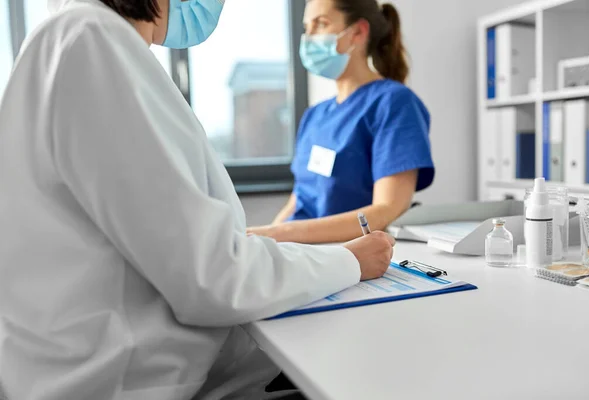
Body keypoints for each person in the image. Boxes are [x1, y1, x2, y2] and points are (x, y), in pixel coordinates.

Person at [0, 0, 396, 398]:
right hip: (121, 382)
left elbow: (186, 248)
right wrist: (348, 260)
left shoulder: (86, 41)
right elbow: (213, 276)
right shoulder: (93, 39)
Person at [248, 0, 435, 245]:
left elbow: (388, 209)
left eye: (321, 24)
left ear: (358, 32)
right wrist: (265, 241)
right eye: (307, 27)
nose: (309, 37)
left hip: (346, 256)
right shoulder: (315, 115)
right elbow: (300, 198)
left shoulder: (394, 104)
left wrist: (280, 234)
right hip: (299, 253)